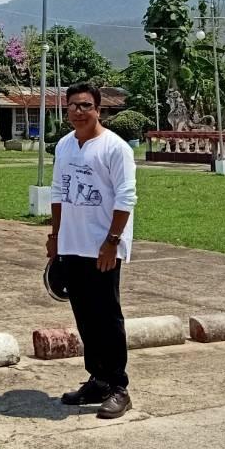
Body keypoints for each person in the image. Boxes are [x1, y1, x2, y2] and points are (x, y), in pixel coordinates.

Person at [46, 81, 137, 418]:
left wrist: (112, 242)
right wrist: (55, 237)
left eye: (85, 105)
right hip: (72, 243)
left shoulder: (116, 149)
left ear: (99, 109)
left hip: (103, 246)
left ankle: (118, 386)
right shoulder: (65, 146)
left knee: (107, 316)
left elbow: (126, 197)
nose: (78, 111)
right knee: (84, 314)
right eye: (72, 105)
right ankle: (97, 379)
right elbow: (58, 192)